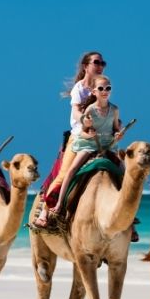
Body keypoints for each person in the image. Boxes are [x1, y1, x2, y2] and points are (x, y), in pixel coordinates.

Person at [33, 52, 107, 227]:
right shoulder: (79, 89)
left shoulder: (102, 88)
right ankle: (45, 211)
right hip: (80, 136)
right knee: (64, 174)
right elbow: (75, 111)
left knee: (121, 169)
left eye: (102, 63)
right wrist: (84, 119)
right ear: (85, 66)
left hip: (101, 137)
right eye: (96, 62)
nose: (100, 66)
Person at [46, 74, 123, 218]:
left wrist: (118, 135)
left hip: (108, 145)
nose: (105, 91)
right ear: (94, 92)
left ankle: (127, 212)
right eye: (101, 88)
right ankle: (59, 204)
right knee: (71, 170)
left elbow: (115, 128)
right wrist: (90, 136)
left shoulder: (115, 110)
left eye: (108, 88)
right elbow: (83, 133)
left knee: (125, 172)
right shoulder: (90, 110)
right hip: (89, 145)